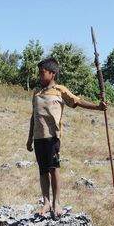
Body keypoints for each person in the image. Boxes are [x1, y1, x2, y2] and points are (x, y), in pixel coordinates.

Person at [26, 57, 107, 217]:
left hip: (52, 137)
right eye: (39, 73)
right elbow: (33, 117)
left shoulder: (60, 90)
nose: (40, 76)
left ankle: (56, 203)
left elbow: (77, 101)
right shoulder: (37, 93)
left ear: (53, 73)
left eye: (43, 73)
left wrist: (98, 107)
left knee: (53, 168)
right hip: (38, 137)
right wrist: (29, 138)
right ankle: (46, 202)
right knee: (42, 170)